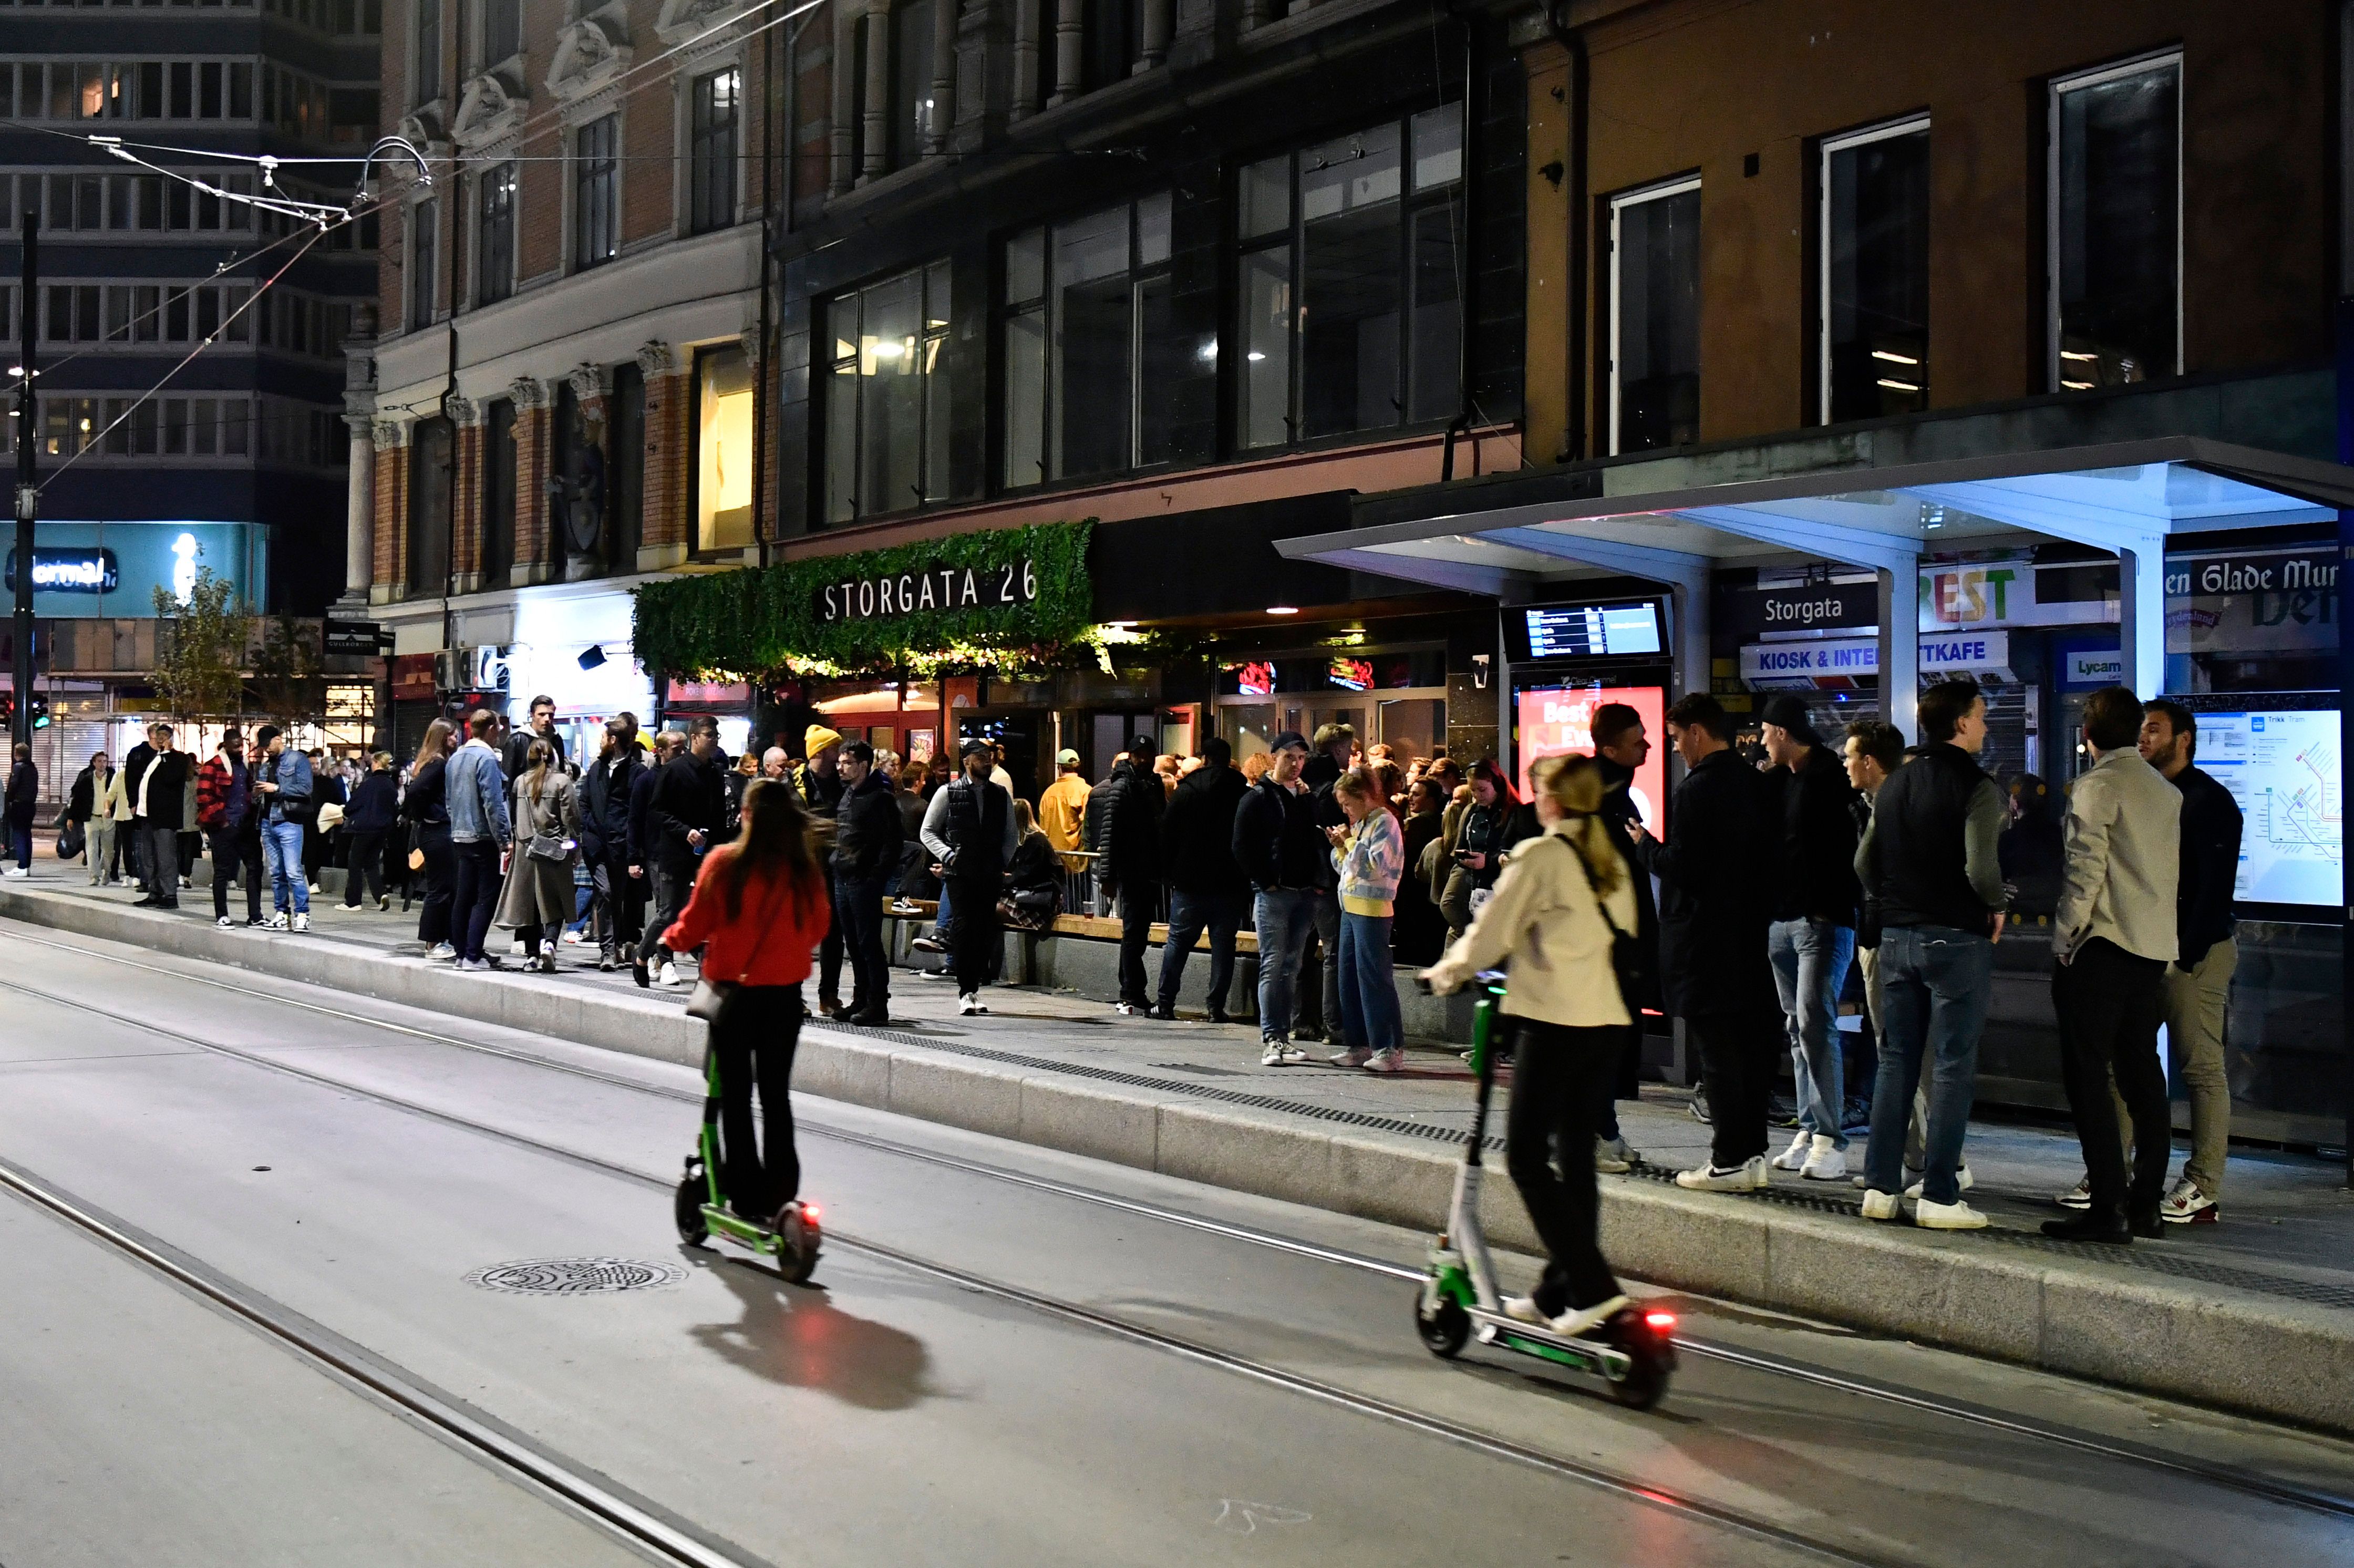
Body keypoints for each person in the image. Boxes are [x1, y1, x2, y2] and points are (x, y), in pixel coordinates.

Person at [1422, 754, 1640, 1338]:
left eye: (1539, 788)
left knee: (1524, 1158)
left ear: (1554, 799)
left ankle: (1595, 1290)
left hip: (1555, 1023)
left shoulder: (1542, 855)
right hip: (1607, 1023)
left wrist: (1445, 973)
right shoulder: (1609, 858)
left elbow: (1493, 930)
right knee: (1575, 1159)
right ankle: (1556, 1292)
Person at [1855, 679, 2007, 1230]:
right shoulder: (1977, 786)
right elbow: (1981, 869)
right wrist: (1996, 904)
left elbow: (1864, 862)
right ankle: (1939, 1195)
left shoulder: (1895, 783)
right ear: (1961, 723)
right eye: (1981, 716)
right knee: (1951, 1065)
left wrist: (1893, 898)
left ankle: (1879, 1188)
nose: (1984, 726)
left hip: (1897, 938)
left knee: (1896, 1060)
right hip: (1956, 938)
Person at [658, 778, 832, 1228]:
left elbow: (695, 923)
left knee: (735, 1096)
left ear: (748, 816)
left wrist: (667, 942)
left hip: (734, 999)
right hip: (785, 999)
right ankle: (781, 1193)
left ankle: (745, 1193)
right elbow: (818, 927)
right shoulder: (803, 870)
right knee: (776, 1095)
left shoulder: (724, 863)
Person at [2042, 685, 2181, 1244]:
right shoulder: (2164, 790)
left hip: (2102, 946)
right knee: (2142, 1074)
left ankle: (2107, 1206)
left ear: (2088, 734)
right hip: (2151, 949)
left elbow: (2085, 869)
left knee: (2087, 1076)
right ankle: (2147, 1204)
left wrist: (2064, 937)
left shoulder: (2097, 786)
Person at [1624, 694, 1778, 1193]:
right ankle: (1752, 1154)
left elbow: (1684, 867)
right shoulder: (1756, 783)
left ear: (1695, 732)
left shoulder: (1697, 790)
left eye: (1675, 738)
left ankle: (1729, 1159)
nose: (1674, 749)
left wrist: (1645, 846)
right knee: (1748, 1050)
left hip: (1704, 941)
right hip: (1748, 938)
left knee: (1718, 1055)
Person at [2129, 699, 2243, 1225]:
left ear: (2184, 739)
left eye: (2154, 729)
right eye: (2141, 729)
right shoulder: (2151, 795)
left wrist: (2185, 955)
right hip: (2148, 950)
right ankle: (2114, 1170)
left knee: (2200, 1068)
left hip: (2193, 955)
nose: (2144, 738)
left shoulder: (2209, 802)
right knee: (2124, 1058)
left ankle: (2203, 1185)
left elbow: (2213, 892)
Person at [1755, 694, 1862, 1183]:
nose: (1761, 742)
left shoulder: (1829, 778)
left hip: (1821, 919)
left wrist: (1826, 904)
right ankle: (1810, 1126)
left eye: (1765, 733)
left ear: (1782, 732)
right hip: (1783, 919)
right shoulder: (1781, 780)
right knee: (1798, 1026)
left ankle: (1829, 1138)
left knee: (1816, 1024)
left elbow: (1843, 850)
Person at [1840, 718, 1946, 1187]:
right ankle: (1914, 1159)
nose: (1845, 764)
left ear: (1869, 761)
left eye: (1849, 756)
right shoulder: (1863, 807)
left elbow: (1871, 870)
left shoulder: (1901, 806)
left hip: (1897, 936)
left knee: (1907, 1052)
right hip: (1879, 935)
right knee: (1896, 1051)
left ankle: (1934, 1160)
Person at [1588, 703, 1662, 1172]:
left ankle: (1604, 1128)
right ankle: (1595, 1132)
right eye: (1638, 741)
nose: (1648, 746)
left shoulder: (1614, 793)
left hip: (1617, 937)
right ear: (1611, 749)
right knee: (1604, 1036)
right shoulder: (1601, 797)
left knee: (1611, 1035)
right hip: (1606, 941)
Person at [1232, 730, 1332, 1066]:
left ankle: (1282, 1036)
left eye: (1301, 758)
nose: (1296, 764)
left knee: (1292, 965)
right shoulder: (1258, 797)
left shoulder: (1305, 797)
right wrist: (1264, 881)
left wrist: (1317, 882)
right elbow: (1241, 844)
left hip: (1304, 891)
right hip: (1276, 893)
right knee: (1274, 964)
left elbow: (1315, 837)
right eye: (1290, 757)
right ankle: (1272, 1037)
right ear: (1275, 757)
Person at [1153, 736, 1250, 1022]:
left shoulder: (1186, 792)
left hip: (1190, 881)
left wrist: (1168, 873)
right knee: (1224, 946)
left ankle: (1165, 1002)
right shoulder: (1242, 793)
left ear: (1205, 759)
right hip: (1230, 883)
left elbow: (1167, 834)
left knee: (1178, 943)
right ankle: (1216, 1007)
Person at [920, 737, 1017, 1016]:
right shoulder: (948, 793)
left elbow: (1011, 834)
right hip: (960, 873)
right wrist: (949, 856)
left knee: (984, 928)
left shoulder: (1000, 795)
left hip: (989, 871)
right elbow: (928, 831)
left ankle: (975, 986)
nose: (987, 762)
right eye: (981, 758)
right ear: (967, 762)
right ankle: (966, 990)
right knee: (964, 927)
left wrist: (1001, 861)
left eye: (989, 758)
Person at [1324, 766, 1407, 1072]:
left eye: (1348, 803)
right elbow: (1348, 867)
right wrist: (1340, 847)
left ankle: (1389, 1048)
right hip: (1350, 907)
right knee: (1348, 978)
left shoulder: (1385, 822)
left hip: (1373, 910)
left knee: (1374, 979)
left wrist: (1348, 843)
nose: (1345, 810)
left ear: (1365, 797)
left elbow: (1375, 867)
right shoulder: (1361, 824)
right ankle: (1359, 1045)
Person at [638, 719, 726, 989]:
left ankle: (705, 976)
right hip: (676, 853)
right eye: (709, 735)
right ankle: (642, 956)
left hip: (706, 854)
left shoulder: (716, 772)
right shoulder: (674, 770)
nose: (714, 740)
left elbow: (719, 815)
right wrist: (684, 831)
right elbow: (657, 810)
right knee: (669, 912)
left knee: (705, 913)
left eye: (717, 735)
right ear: (695, 738)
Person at [830, 739, 902, 1025]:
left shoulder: (880, 797)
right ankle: (860, 998)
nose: (841, 768)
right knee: (854, 943)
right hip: (843, 877)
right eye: (840, 763)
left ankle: (877, 1003)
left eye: (847, 763)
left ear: (863, 765)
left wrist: (875, 877)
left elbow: (893, 842)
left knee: (868, 943)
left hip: (862, 879)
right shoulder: (848, 794)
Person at [494, 738, 582, 972]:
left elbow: (513, 814)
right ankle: (550, 944)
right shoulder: (562, 781)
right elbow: (571, 818)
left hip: (526, 850)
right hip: (555, 849)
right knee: (556, 900)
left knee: (530, 903)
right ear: (553, 757)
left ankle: (531, 956)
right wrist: (575, 846)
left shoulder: (520, 782)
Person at [1094, 738, 1166, 1016]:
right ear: (1131, 757)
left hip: (1148, 870)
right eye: (1140, 755)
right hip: (1132, 870)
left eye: (1149, 755)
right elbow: (1109, 833)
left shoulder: (1152, 784)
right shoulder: (1123, 787)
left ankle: (1131, 989)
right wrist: (1108, 876)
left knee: (1137, 933)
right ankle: (1131, 991)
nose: (1145, 760)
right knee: (1134, 933)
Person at [1437, 759, 1536, 942]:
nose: (1477, 796)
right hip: (1474, 883)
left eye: (1482, 790)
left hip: (1499, 885)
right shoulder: (1472, 811)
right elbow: (1459, 847)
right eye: (1473, 791)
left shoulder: (1515, 812)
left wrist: (1489, 861)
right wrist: (1464, 859)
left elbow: (1519, 853)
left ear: (1497, 784)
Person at [443, 710, 512, 968]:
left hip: (460, 835)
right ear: (492, 729)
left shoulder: (455, 758)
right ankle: (473, 955)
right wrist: (504, 839)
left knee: (464, 897)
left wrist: (457, 826)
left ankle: (462, 953)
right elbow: (493, 803)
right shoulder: (487, 758)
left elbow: (449, 801)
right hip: (483, 837)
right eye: (499, 729)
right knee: (485, 898)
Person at [580, 718, 645, 973]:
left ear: (614, 740)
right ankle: (607, 951)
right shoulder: (597, 769)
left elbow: (637, 811)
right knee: (605, 892)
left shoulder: (636, 772)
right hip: (596, 844)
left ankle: (616, 944)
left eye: (605, 736)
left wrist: (628, 838)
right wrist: (588, 827)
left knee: (617, 897)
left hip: (620, 845)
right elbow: (584, 802)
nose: (601, 741)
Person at [797, 725, 849, 1016]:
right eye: (834, 748)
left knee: (833, 932)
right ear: (820, 751)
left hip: (834, 866)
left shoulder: (844, 784)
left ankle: (828, 995)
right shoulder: (795, 783)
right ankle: (793, 995)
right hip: (802, 866)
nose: (839, 755)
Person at [126, 723, 193, 909]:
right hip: (147, 815)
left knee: (165, 857)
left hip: (165, 817)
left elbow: (170, 778)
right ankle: (155, 891)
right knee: (149, 856)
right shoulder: (154, 758)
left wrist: (165, 753)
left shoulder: (178, 759)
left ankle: (170, 894)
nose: (160, 739)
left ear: (171, 739)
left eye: (164, 736)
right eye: (158, 736)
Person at [405, 720, 458, 956]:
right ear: (442, 737)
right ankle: (433, 943)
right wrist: (427, 815)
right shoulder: (438, 764)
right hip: (437, 832)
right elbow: (416, 793)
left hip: (434, 830)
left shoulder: (433, 762)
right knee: (441, 888)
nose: (456, 739)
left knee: (445, 887)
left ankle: (442, 939)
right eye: (453, 735)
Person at [197, 729, 260, 926]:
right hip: (224, 825)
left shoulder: (245, 765)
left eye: (242, 745)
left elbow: (248, 791)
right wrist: (222, 821)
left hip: (245, 824)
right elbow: (204, 796)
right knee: (222, 871)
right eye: (236, 746)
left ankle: (255, 915)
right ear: (226, 745)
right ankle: (222, 915)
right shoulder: (213, 765)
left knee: (255, 867)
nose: (240, 749)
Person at [1392, 777, 1449, 968]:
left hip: (1413, 893)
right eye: (1410, 793)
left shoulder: (1416, 825)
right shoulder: (1442, 822)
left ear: (1431, 799)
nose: (1410, 798)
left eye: (1417, 794)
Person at [340, 752, 398, 911]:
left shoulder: (370, 784)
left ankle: (353, 901)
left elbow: (355, 803)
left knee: (355, 862)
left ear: (377, 764)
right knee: (371, 863)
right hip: (383, 829)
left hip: (366, 828)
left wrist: (346, 811)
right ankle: (381, 895)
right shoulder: (390, 785)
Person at [1039, 749, 1090, 874]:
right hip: (1077, 861)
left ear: (1060, 768)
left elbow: (1042, 827)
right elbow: (1087, 827)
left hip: (1053, 860)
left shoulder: (1048, 793)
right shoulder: (1086, 791)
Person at [303, 748, 345, 894]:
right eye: (312, 764)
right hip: (306, 823)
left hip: (324, 825)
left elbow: (339, 801)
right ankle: (311, 881)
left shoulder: (328, 783)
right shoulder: (302, 783)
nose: (315, 766)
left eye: (317, 764)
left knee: (322, 852)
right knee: (309, 852)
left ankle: (314, 879)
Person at [501, 693, 567, 780]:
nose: (547, 719)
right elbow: (508, 776)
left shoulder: (557, 739)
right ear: (532, 715)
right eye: (542, 714)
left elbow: (561, 770)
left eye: (551, 715)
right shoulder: (517, 740)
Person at [77, 752, 117, 886]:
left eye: (105, 761)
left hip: (108, 818)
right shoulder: (87, 779)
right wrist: (72, 817)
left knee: (109, 850)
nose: (102, 764)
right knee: (91, 848)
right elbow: (78, 798)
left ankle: (107, 871)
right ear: (94, 763)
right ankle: (94, 876)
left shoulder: (112, 778)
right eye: (99, 761)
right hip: (92, 817)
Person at [2, 742, 34, 875]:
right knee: (27, 835)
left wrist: (8, 800)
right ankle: (27, 866)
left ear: (16, 754)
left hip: (19, 805)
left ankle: (22, 866)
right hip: (30, 805)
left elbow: (13, 786)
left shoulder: (18, 767)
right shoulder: (33, 768)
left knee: (19, 835)